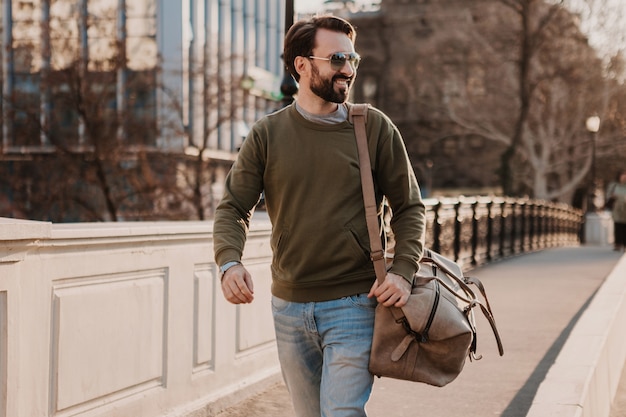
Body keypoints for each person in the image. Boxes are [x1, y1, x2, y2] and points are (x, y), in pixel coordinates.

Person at [213, 15, 425, 417]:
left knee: (342, 412)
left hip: (355, 304)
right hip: (289, 306)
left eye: (353, 58)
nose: (348, 68)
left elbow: (410, 206)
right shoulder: (267, 135)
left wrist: (403, 270)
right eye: (338, 58)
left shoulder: (373, 128)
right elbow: (233, 207)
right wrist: (229, 262)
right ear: (301, 65)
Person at [607, 170, 626, 251]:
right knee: (618, 226)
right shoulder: (614, 185)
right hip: (617, 208)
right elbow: (608, 195)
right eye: (623, 175)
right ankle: (618, 243)